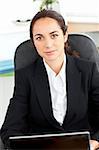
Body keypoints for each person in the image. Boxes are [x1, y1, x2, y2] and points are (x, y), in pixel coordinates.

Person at [0, 9, 99, 149]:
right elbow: (10, 129)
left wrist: (94, 143)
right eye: (39, 38)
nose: (48, 44)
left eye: (54, 35)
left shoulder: (88, 70)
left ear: (65, 36)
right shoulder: (26, 76)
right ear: (33, 41)